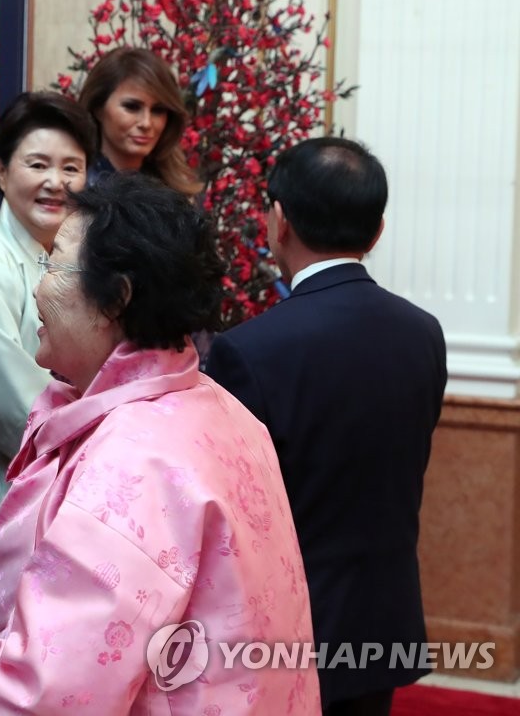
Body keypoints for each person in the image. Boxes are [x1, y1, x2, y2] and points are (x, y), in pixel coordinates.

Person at [0, 173, 322, 714]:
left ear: (116, 299)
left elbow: (48, 689)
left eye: (53, 265)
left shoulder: (134, 462)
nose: (37, 289)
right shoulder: (214, 408)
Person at [205, 137, 447, 716]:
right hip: (382, 617)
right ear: (378, 230)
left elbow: (235, 505)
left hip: (289, 624)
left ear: (279, 221)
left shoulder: (249, 349)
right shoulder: (424, 333)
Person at [0, 91, 98, 497]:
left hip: (81, 469)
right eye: (37, 165)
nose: (56, 182)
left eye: (71, 168)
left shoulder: (86, 264)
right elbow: (17, 406)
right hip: (17, 486)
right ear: (1, 171)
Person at [77, 46, 201, 197]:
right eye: (132, 107)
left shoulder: (175, 190)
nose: (146, 123)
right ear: (98, 109)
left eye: (158, 110)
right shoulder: (75, 188)